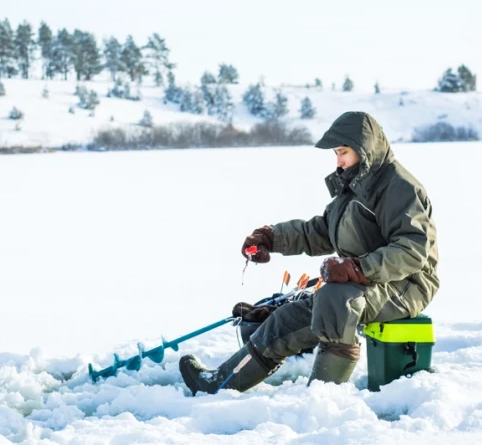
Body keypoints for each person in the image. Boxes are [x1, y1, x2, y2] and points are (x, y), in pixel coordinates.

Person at [180, 111, 439, 395]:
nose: (338, 161)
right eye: (336, 154)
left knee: (335, 298)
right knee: (286, 318)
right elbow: (319, 231)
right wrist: (271, 237)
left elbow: (413, 250)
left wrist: (357, 269)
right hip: (366, 281)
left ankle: (321, 397)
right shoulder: (354, 187)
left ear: (364, 149)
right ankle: (220, 382)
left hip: (406, 284)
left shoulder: (399, 187)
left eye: (343, 152)